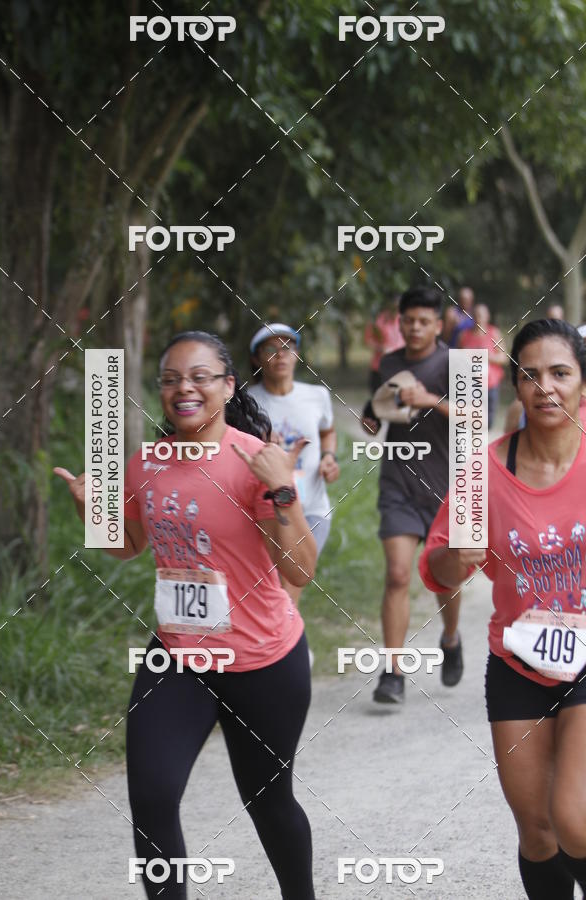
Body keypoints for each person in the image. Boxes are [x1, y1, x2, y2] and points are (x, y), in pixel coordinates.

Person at [54, 331, 317, 900]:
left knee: (267, 801)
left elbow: (300, 571)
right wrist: (90, 512)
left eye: (199, 376)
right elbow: (128, 545)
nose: (184, 388)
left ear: (227, 385)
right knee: (151, 798)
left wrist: (282, 491)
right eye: (171, 379)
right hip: (179, 655)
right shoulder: (147, 460)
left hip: (263, 661)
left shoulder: (254, 460)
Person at [419, 318, 586, 899]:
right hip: (517, 665)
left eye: (561, 373)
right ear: (514, 385)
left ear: (582, 384)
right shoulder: (481, 473)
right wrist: (455, 560)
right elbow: (434, 569)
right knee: (538, 832)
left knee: (575, 819)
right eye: (531, 375)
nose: (547, 387)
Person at [361, 286, 463, 705]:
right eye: (409, 321)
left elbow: (476, 419)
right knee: (399, 574)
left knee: (445, 580)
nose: (416, 328)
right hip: (398, 481)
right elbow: (371, 424)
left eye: (425, 321)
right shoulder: (388, 362)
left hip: (445, 487)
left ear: (438, 325)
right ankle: (393, 672)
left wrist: (429, 399)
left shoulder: (456, 362)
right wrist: (373, 408)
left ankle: (451, 638)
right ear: (399, 323)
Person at [248, 323, 340, 607]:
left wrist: (329, 457)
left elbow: (328, 430)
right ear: (257, 359)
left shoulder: (316, 395)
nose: (281, 355)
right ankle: (289, 647)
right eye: (270, 349)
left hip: (311, 510)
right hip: (268, 511)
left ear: (297, 354)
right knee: (272, 589)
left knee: (289, 589)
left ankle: (291, 649)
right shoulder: (247, 401)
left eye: (287, 347)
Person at [458, 303, 507, 428]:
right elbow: (457, 358)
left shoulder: (494, 333)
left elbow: (504, 358)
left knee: (488, 420)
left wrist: (485, 356)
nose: (478, 317)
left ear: (487, 316)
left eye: (481, 314)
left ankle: (485, 444)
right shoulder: (464, 335)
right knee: (470, 418)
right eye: (476, 314)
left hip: (490, 383)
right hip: (469, 383)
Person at [364, 300, 405, 392]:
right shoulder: (378, 321)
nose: (397, 310)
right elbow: (368, 341)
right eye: (394, 307)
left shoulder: (404, 320)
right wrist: (380, 348)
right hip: (380, 368)